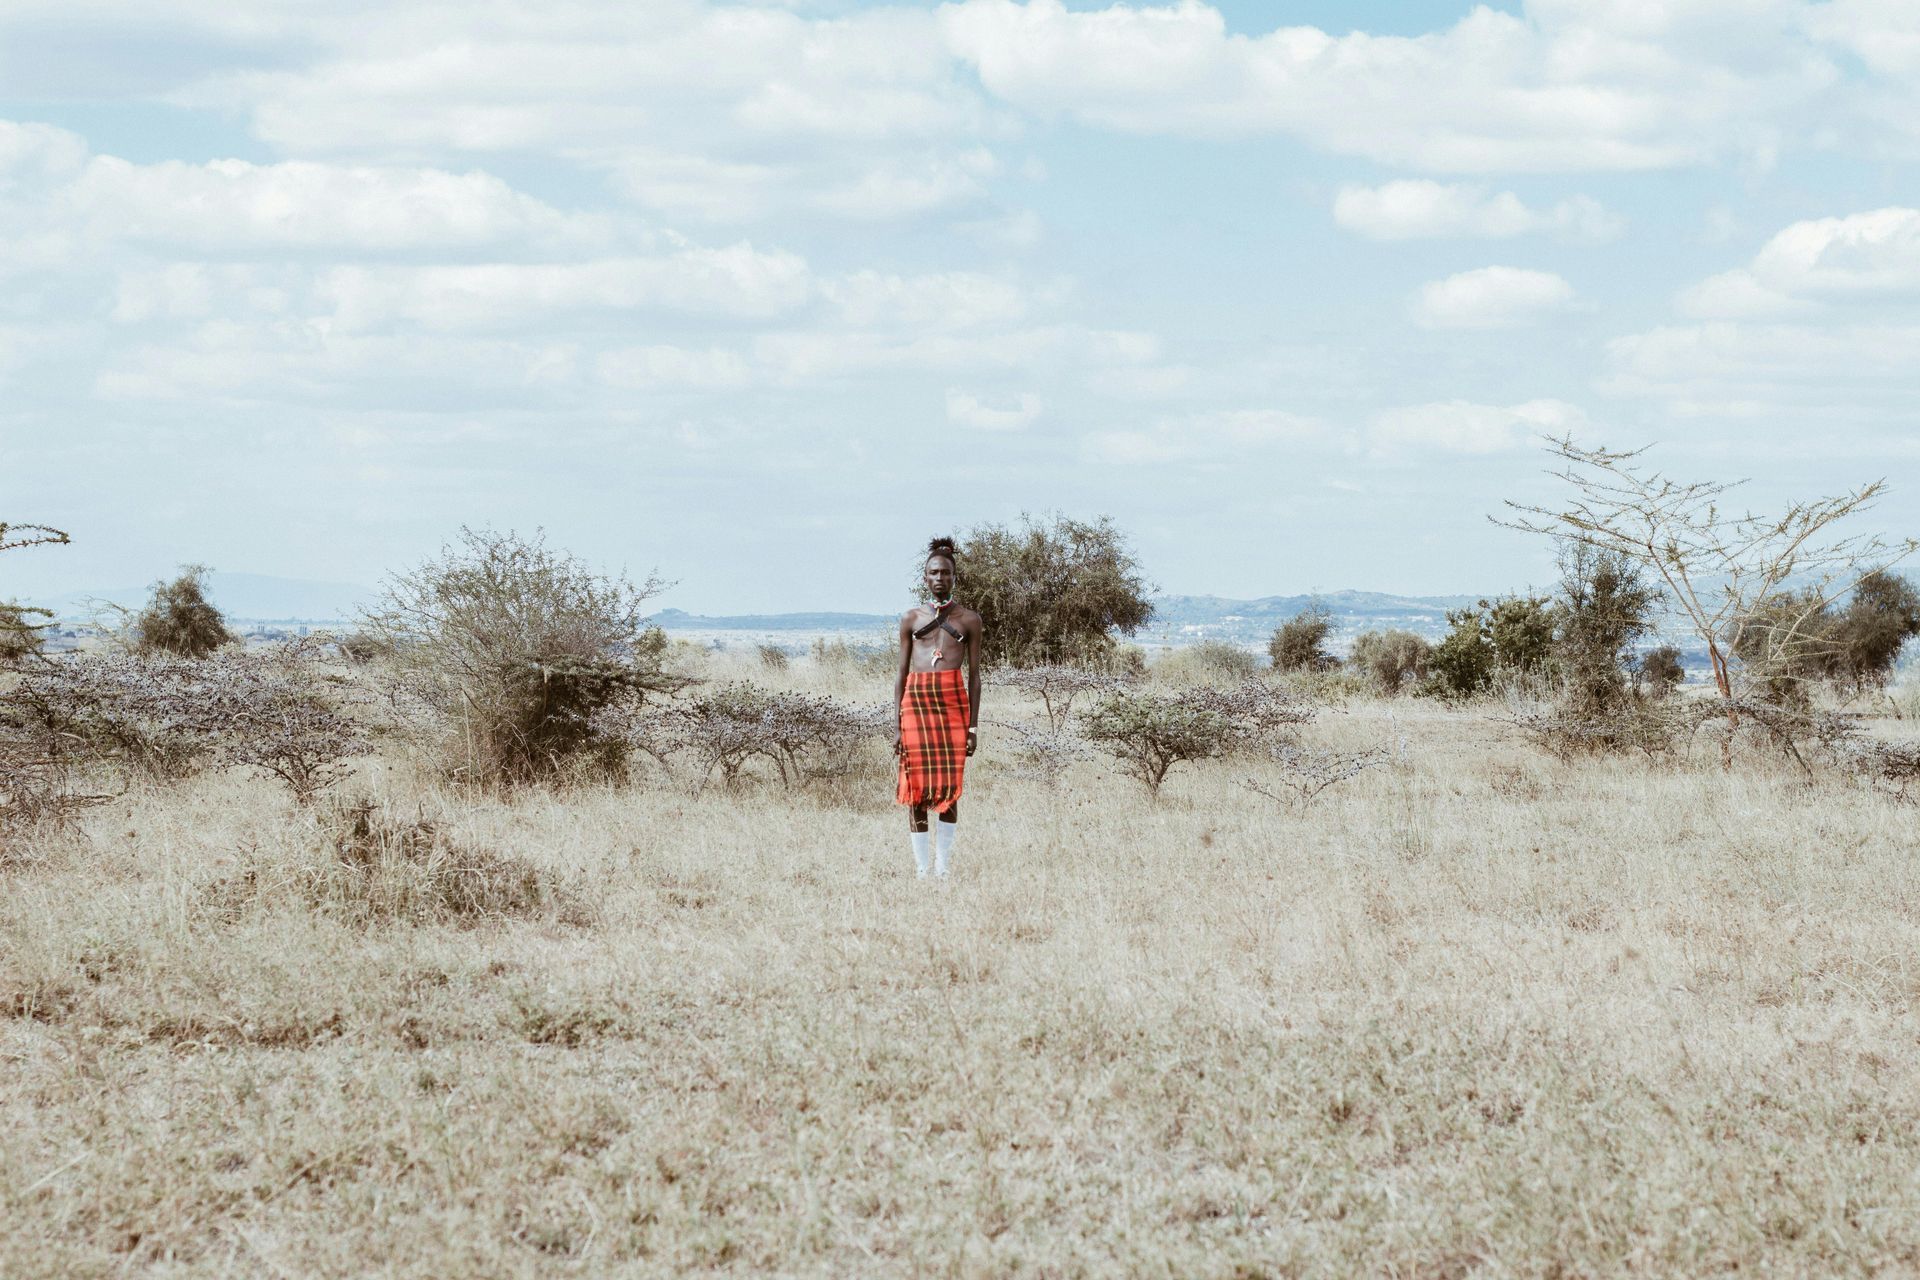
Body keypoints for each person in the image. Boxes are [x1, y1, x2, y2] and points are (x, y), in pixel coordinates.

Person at [893, 535, 982, 878]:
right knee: (915, 787)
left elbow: (974, 678)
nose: (939, 578)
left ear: (954, 577)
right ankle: (921, 870)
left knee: (949, 788)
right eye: (933, 573)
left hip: (952, 705)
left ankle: (943, 870)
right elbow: (900, 675)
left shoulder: (969, 620)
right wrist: (897, 725)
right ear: (925, 578)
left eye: (945, 573)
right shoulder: (910, 619)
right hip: (916, 704)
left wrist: (973, 728)